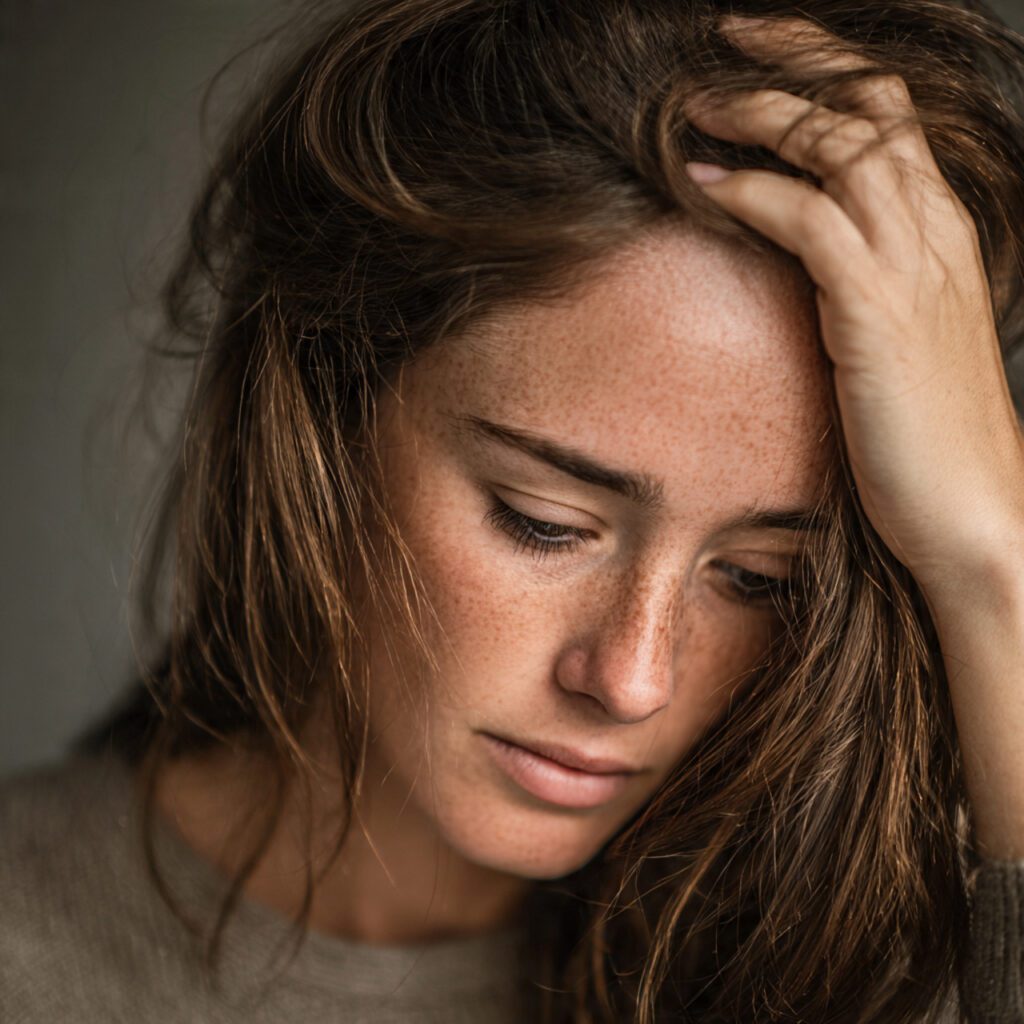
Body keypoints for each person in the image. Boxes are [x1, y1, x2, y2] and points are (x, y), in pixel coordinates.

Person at [2, 0, 1023, 1020]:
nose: (631, 677)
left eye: (760, 578)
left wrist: (992, 563)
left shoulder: (885, 971)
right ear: (326, 413)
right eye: (542, 520)